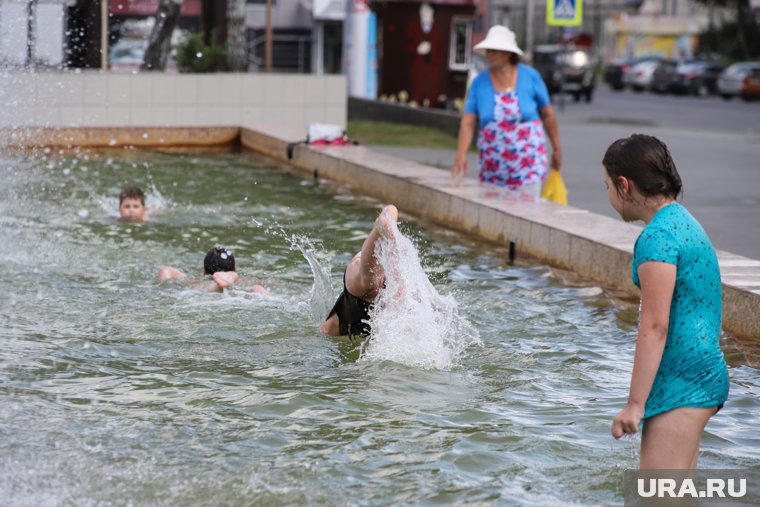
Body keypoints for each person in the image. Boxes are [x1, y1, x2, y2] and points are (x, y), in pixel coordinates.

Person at [604, 134, 728, 469]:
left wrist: (634, 403)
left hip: (682, 382)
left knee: (658, 498)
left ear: (624, 185)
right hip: (702, 373)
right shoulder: (683, 221)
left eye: (607, 187)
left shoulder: (657, 237)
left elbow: (655, 325)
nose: (609, 195)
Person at [451, 25, 562, 194]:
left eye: (495, 50)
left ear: (508, 53)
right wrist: (461, 154)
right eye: (489, 50)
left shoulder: (530, 77)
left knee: (528, 212)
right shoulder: (479, 83)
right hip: (492, 169)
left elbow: (547, 115)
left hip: (528, 166)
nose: (490, 55)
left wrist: (556, 148)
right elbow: (468, 122)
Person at [321, 205, 398, 340]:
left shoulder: (333, 327)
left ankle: (383, 224)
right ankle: (384, 223)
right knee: (370, 282)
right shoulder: (333, 327)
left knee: (369, 282)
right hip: (364, 292)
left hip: (361, 292)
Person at [158, 246, 269, 294]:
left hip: (205, 290)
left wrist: (161, 285)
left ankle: (219, 286)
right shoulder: (247, 282)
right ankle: (224, 282)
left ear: (204, 270)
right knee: (256, 288)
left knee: (212, 288)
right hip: (234, 292)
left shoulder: (194, 281)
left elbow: (165, 271)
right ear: (234, 270)